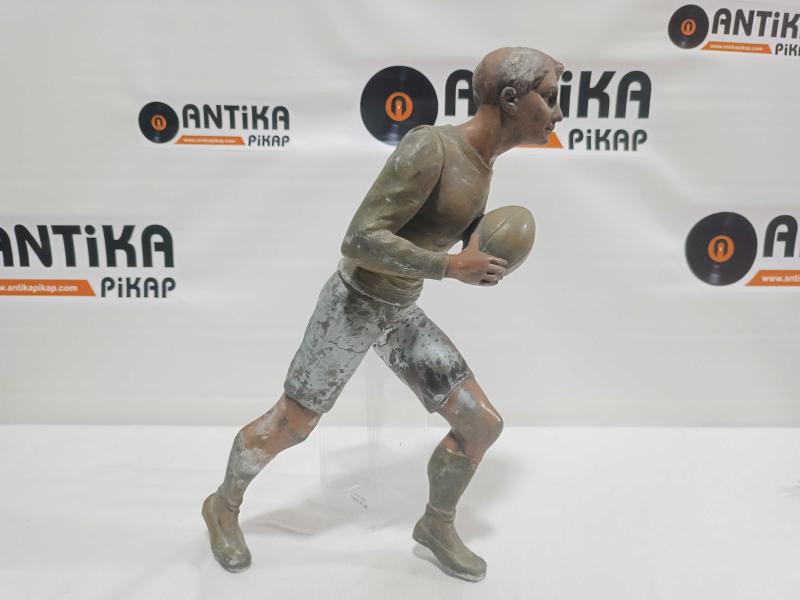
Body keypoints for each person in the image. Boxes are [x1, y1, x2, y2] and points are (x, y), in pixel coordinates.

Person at [202, 46, 564, 582]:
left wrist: (478, 250)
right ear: (512, 100)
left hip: (398, 310)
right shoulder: (431, 147)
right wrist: (450, 266)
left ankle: (436, 525)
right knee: (292, 425)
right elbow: (359, 239)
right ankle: (222, 506)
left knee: (480, 423)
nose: (558, 113)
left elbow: (438, 229)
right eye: (550, 98)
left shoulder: (483, 163)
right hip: (353, 305)